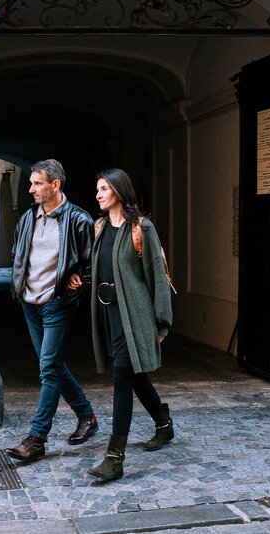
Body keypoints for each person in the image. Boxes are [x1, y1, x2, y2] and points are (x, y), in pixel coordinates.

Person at [5, 159, 98, 464]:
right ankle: (86, 415)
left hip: (57, 302)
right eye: (31, 183)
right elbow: (19, 255)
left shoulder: (78, 220)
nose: (31, 189)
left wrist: (79, 282)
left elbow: (95, 264)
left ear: (54, 185)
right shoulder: (28, 219)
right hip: (29, 302)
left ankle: (36, 438)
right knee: (53, 364)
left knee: (47, 368)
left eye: (37, 183)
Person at [87, 169, 174, 481]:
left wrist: (162, 323)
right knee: (135, 376)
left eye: (104, 188)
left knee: (122, 379)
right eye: (97, 189)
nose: (98, 194)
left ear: (119, 192)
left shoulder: (142, 228)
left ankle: (114, 458)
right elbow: (98, 270)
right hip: (109, 314)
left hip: (134, 317)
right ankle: (163, 423)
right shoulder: (99, 228)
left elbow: (157, 278)